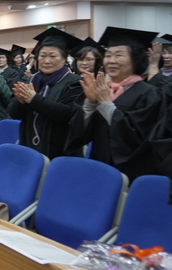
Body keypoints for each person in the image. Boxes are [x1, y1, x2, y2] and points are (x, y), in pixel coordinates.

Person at [68, 27, 166, 181]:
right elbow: (80, 133)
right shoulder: (103, 89)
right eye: (108, 55)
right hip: (99, 164)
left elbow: (138, 137)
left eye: (119, 55)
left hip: (131, 171)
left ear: (136, 58)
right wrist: (90, 104)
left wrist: (106, 104)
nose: (111, 60)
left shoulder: (149, 94)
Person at [8, 28, 84, 159]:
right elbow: (13, 114)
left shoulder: (75, 82)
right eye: (42, 56)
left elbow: (68, 114)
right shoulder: (29, 80)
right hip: (29, 145)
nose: (46, 61)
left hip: (59, 150)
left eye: (53, 56)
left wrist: (34, 100)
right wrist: (20, 102)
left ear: (65, 59)